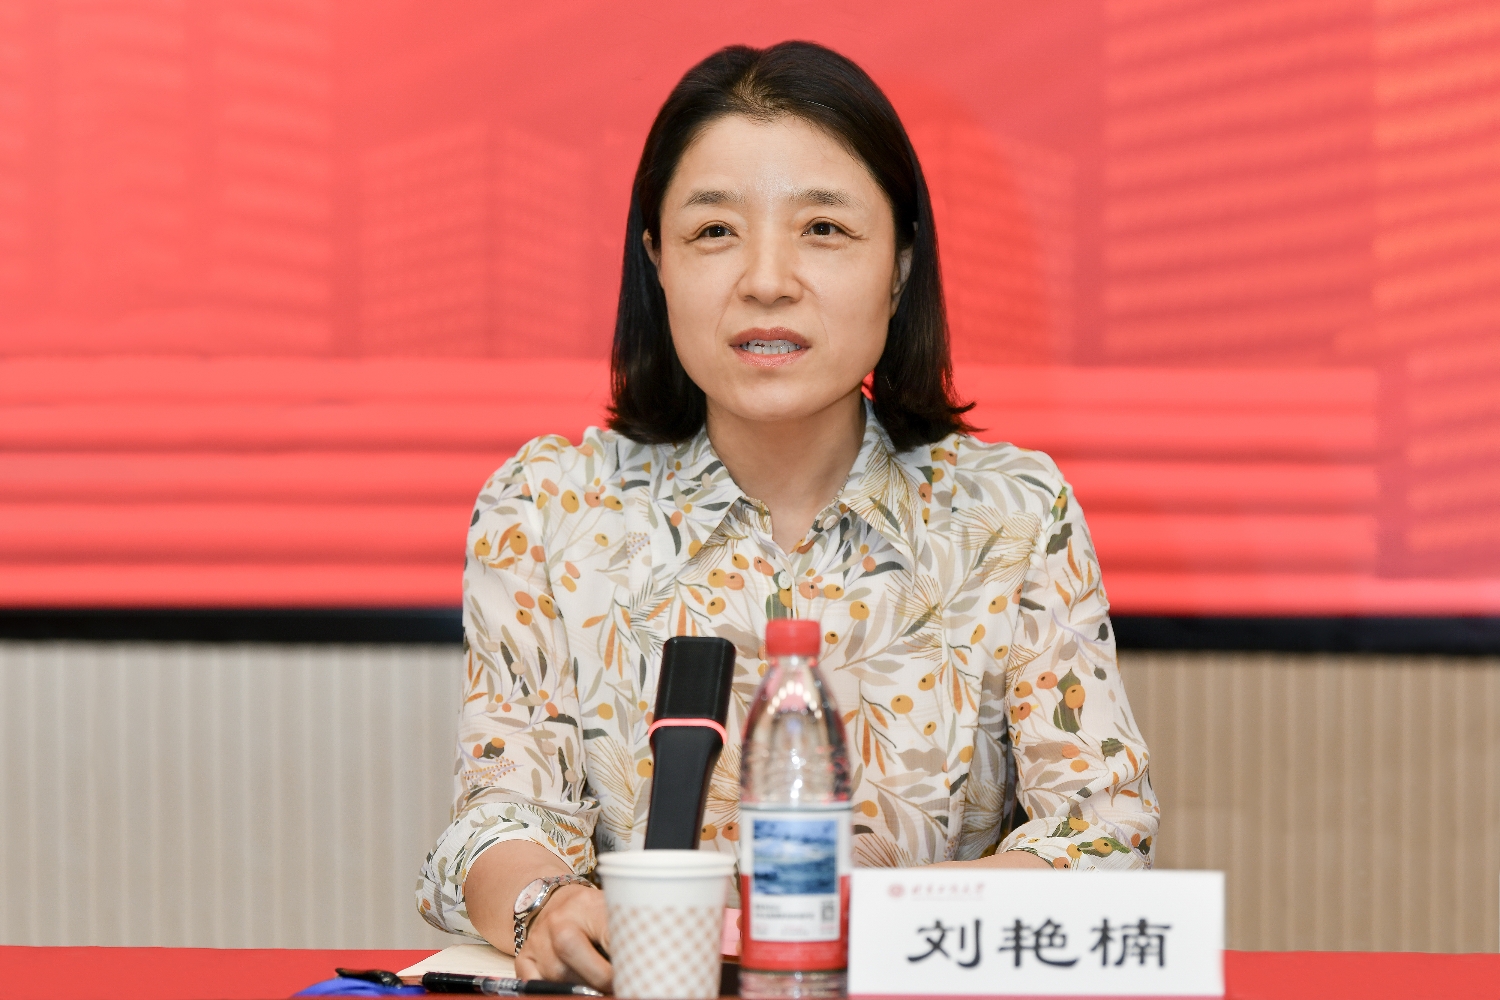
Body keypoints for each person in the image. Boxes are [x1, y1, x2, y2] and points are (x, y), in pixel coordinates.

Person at [417, 40, 1158, 991]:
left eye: (824, 228)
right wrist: (546, 904)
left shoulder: (1010, 513)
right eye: (714, 231)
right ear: (656, 262)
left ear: (900, 265)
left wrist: (879, 927)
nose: (767, 279)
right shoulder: (551, 508)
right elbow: (498, 817)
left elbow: (1099, 834)